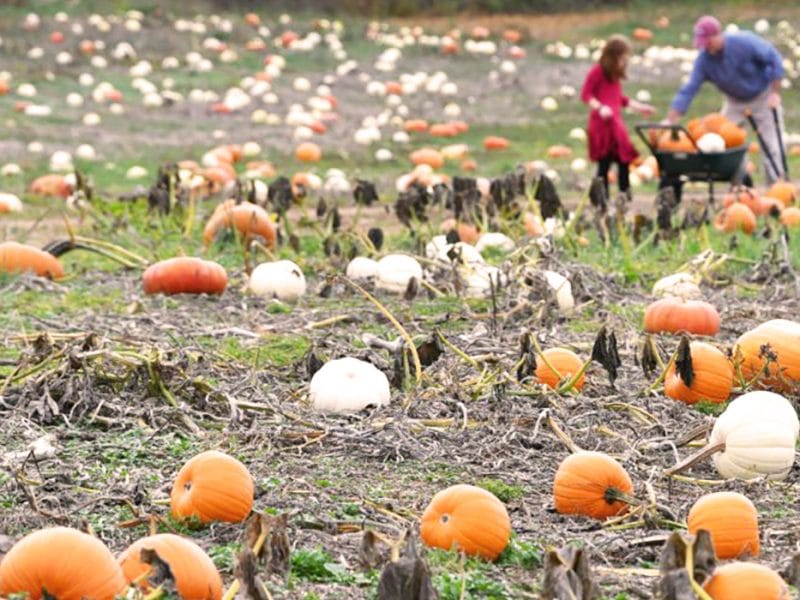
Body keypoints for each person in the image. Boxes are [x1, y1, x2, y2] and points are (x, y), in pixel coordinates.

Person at [665, 15, 786, 185]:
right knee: (725, 144)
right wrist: (671, 119)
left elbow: (774, 59)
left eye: (708, 41)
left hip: (763, 96)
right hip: (734, 102)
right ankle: (740, 186)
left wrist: (775, 93)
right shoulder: (704, 60)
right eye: (703, 42)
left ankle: (777, 188)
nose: (706, 46)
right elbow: (689, 89)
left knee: (771, 146)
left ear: (718, 34)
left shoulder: (744, 42)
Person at [580, 35, 655, 201]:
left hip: (615, 125)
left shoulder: (614, 76)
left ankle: (624, 197)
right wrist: (600, 108)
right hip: (602, 126)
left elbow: (619, 98)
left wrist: (640, 107)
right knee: (604, 164)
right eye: (622, 57)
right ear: (612, 56)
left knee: (624, 161)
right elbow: (586, 95)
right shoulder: (597, 72)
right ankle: (601, 200)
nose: (624, 61)